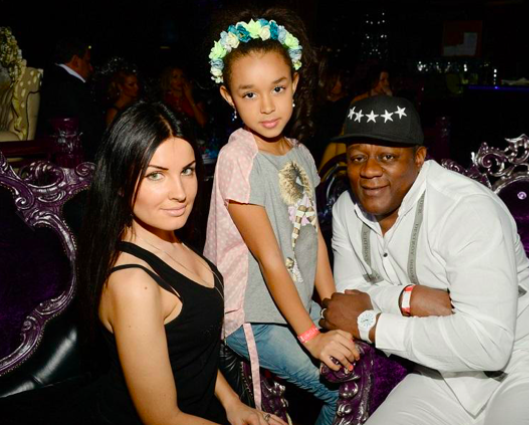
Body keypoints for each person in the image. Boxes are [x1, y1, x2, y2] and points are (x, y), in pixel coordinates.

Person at [1, 101, 285, 425]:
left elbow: (191, 348)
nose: (180, 193)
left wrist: (234, 404)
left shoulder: (168, 233)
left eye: (187, 170)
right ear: (121, 183)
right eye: (156, 175)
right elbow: (163, 418)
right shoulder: (134, 284)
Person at [320, 95, 529, 425]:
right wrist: (411, 298)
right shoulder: (346, 210)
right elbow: (349, 299)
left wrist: (370, 322)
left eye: (387, 156)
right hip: (441, 374)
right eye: (358, 157)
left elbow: (487, 345)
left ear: (419, 158)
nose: (369, 170)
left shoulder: (465, 208)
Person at [203, 8, 359, 425]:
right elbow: (270, 258)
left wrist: (333, 307)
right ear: (229, 97)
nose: (267, 106)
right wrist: (312, 337)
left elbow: (312, 237)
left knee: (364, 372)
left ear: (295, 83)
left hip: (293, 305)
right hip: (251, 316)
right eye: (250, 94)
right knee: (344, 392)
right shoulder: (239, 157)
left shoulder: (301, 153)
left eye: (277, 87)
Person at [38, 37, 102, 160]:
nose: (91, 68)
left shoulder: (47, 79)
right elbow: (90, 134)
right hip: (72, 162)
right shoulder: (74, 87)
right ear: (76, 61)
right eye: (87, 61)